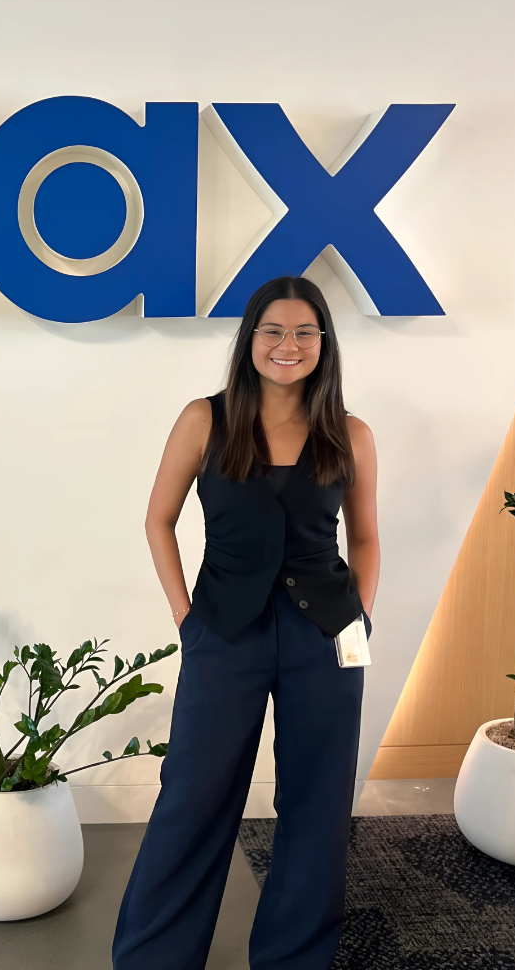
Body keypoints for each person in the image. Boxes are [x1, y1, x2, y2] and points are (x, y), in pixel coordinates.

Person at [112, 276, 379, 970]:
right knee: (194, 796)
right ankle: (154, 958)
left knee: (318, 805)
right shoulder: (205, 420)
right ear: (250, 339)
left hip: (327, 639)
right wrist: (186, 618)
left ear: (323, 343)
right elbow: (158, 520)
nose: (288, 345)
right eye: (273, 330)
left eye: (304, 332)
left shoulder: (350, 433)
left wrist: (360, 621)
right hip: (225, 632)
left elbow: (366, 538)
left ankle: (295, 957)